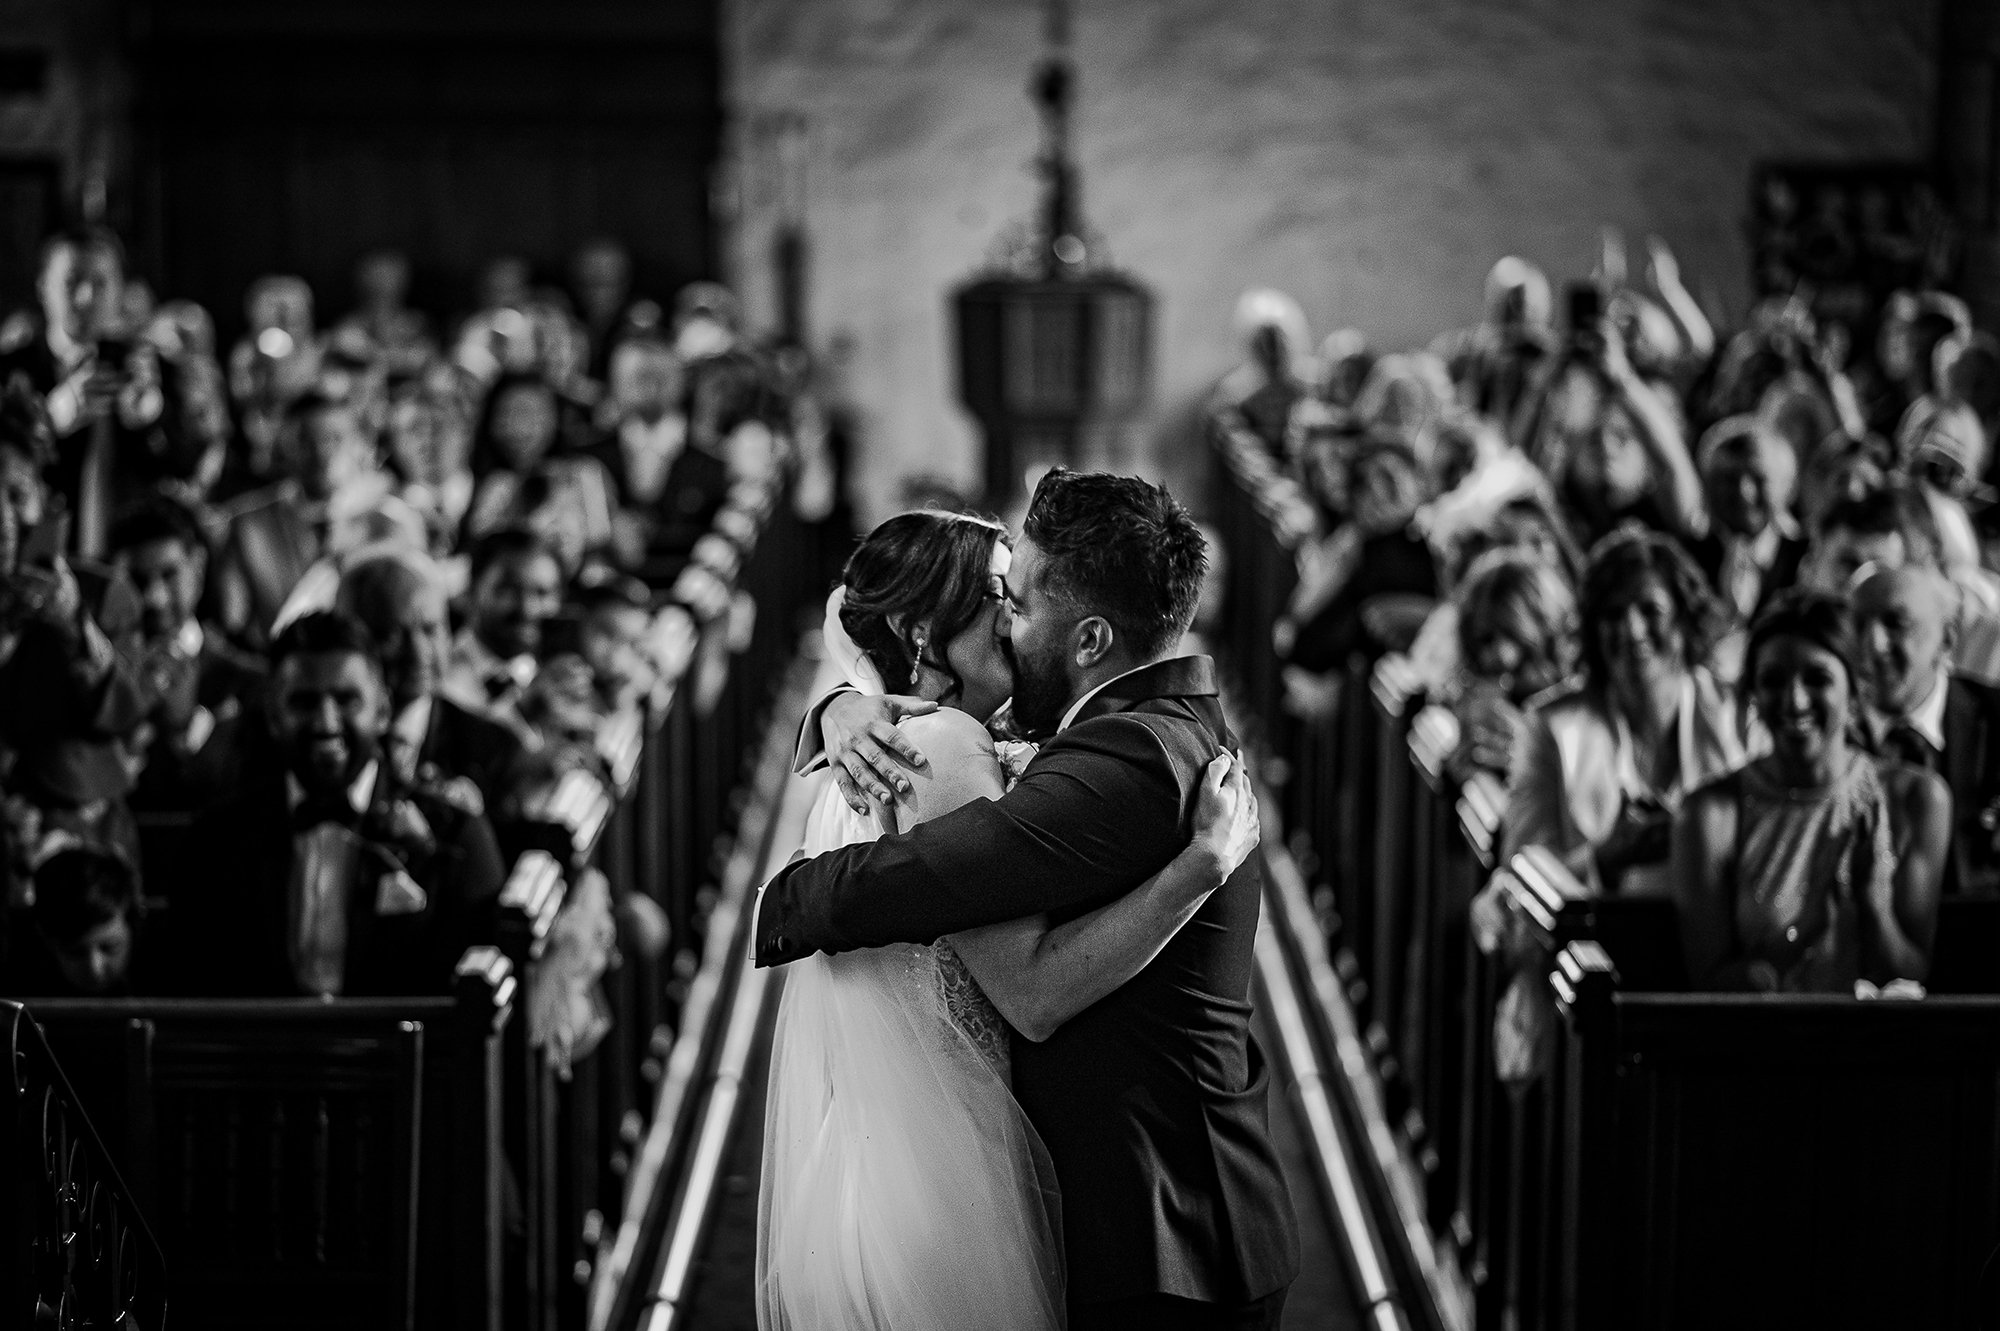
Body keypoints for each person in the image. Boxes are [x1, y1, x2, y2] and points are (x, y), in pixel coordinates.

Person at [755, 471, 1299, 1330]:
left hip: (1169, 1235)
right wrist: (839, 705)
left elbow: (958, 909)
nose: (1009, 619)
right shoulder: (1123, 724)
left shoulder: (1124, 762)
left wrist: (788, 897)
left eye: (1019, 599)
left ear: (1088, 639)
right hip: (1107, 1208)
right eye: (996, 600)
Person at [171, 611, 504, 997]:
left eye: (346, 700)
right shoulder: (213, 843)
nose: (326, 722)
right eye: (303, 702)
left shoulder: (456, 836)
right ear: (274, 716)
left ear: (382, 710)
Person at [1675, 590, 1946, 991]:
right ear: (1752, 694)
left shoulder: (1916, 798)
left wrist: (1874, 905)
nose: (1794, 701)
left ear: (1856, 691)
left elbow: (1910, 976)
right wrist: (1801, 935)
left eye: (1817, 679)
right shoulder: (1711, 813)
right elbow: (1710, 981)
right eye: (1773, 681)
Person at [1502, 525, 1745, 896]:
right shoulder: (1549, 725)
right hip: (1594, 941)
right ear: (1592, 630)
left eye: (1650, 610)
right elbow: (1523, 875)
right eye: (1613, 614)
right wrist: (1604, 859)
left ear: (1683, 618)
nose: (1632, 630)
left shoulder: (1738, 713)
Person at [107, 495, 266, 813]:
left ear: (198, 565)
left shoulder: (248, 681)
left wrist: (186, 729)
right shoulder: (99, 673)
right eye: (138, 581)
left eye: (169, 575)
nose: (154, 598)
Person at [1851, 563, 2000, 896]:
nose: (1872, 644)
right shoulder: (1825, 729)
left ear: (1947, 638)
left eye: (1896, 624)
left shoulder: (1993, 717)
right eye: (1857, 625)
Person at [3, 845, 149, 996]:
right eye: (75, 952)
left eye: (110, 947)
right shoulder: (15, 979)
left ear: (132, 926)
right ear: (45, 938)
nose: (95, 969)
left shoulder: (163, 970)